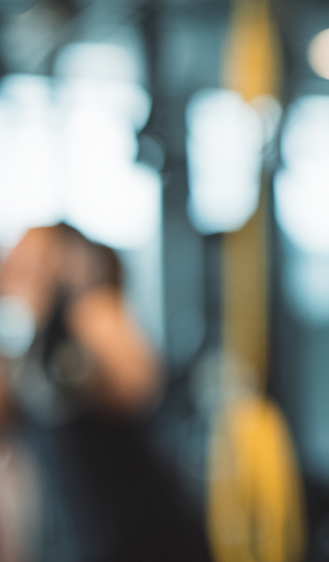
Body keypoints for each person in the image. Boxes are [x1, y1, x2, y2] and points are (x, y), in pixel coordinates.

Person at [0, 224, 209, 562]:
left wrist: (76, 284)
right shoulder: (27, 348)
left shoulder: (94, 315)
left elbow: (139, 385)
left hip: (156, 542)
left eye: (28, 256)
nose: (13, 265)